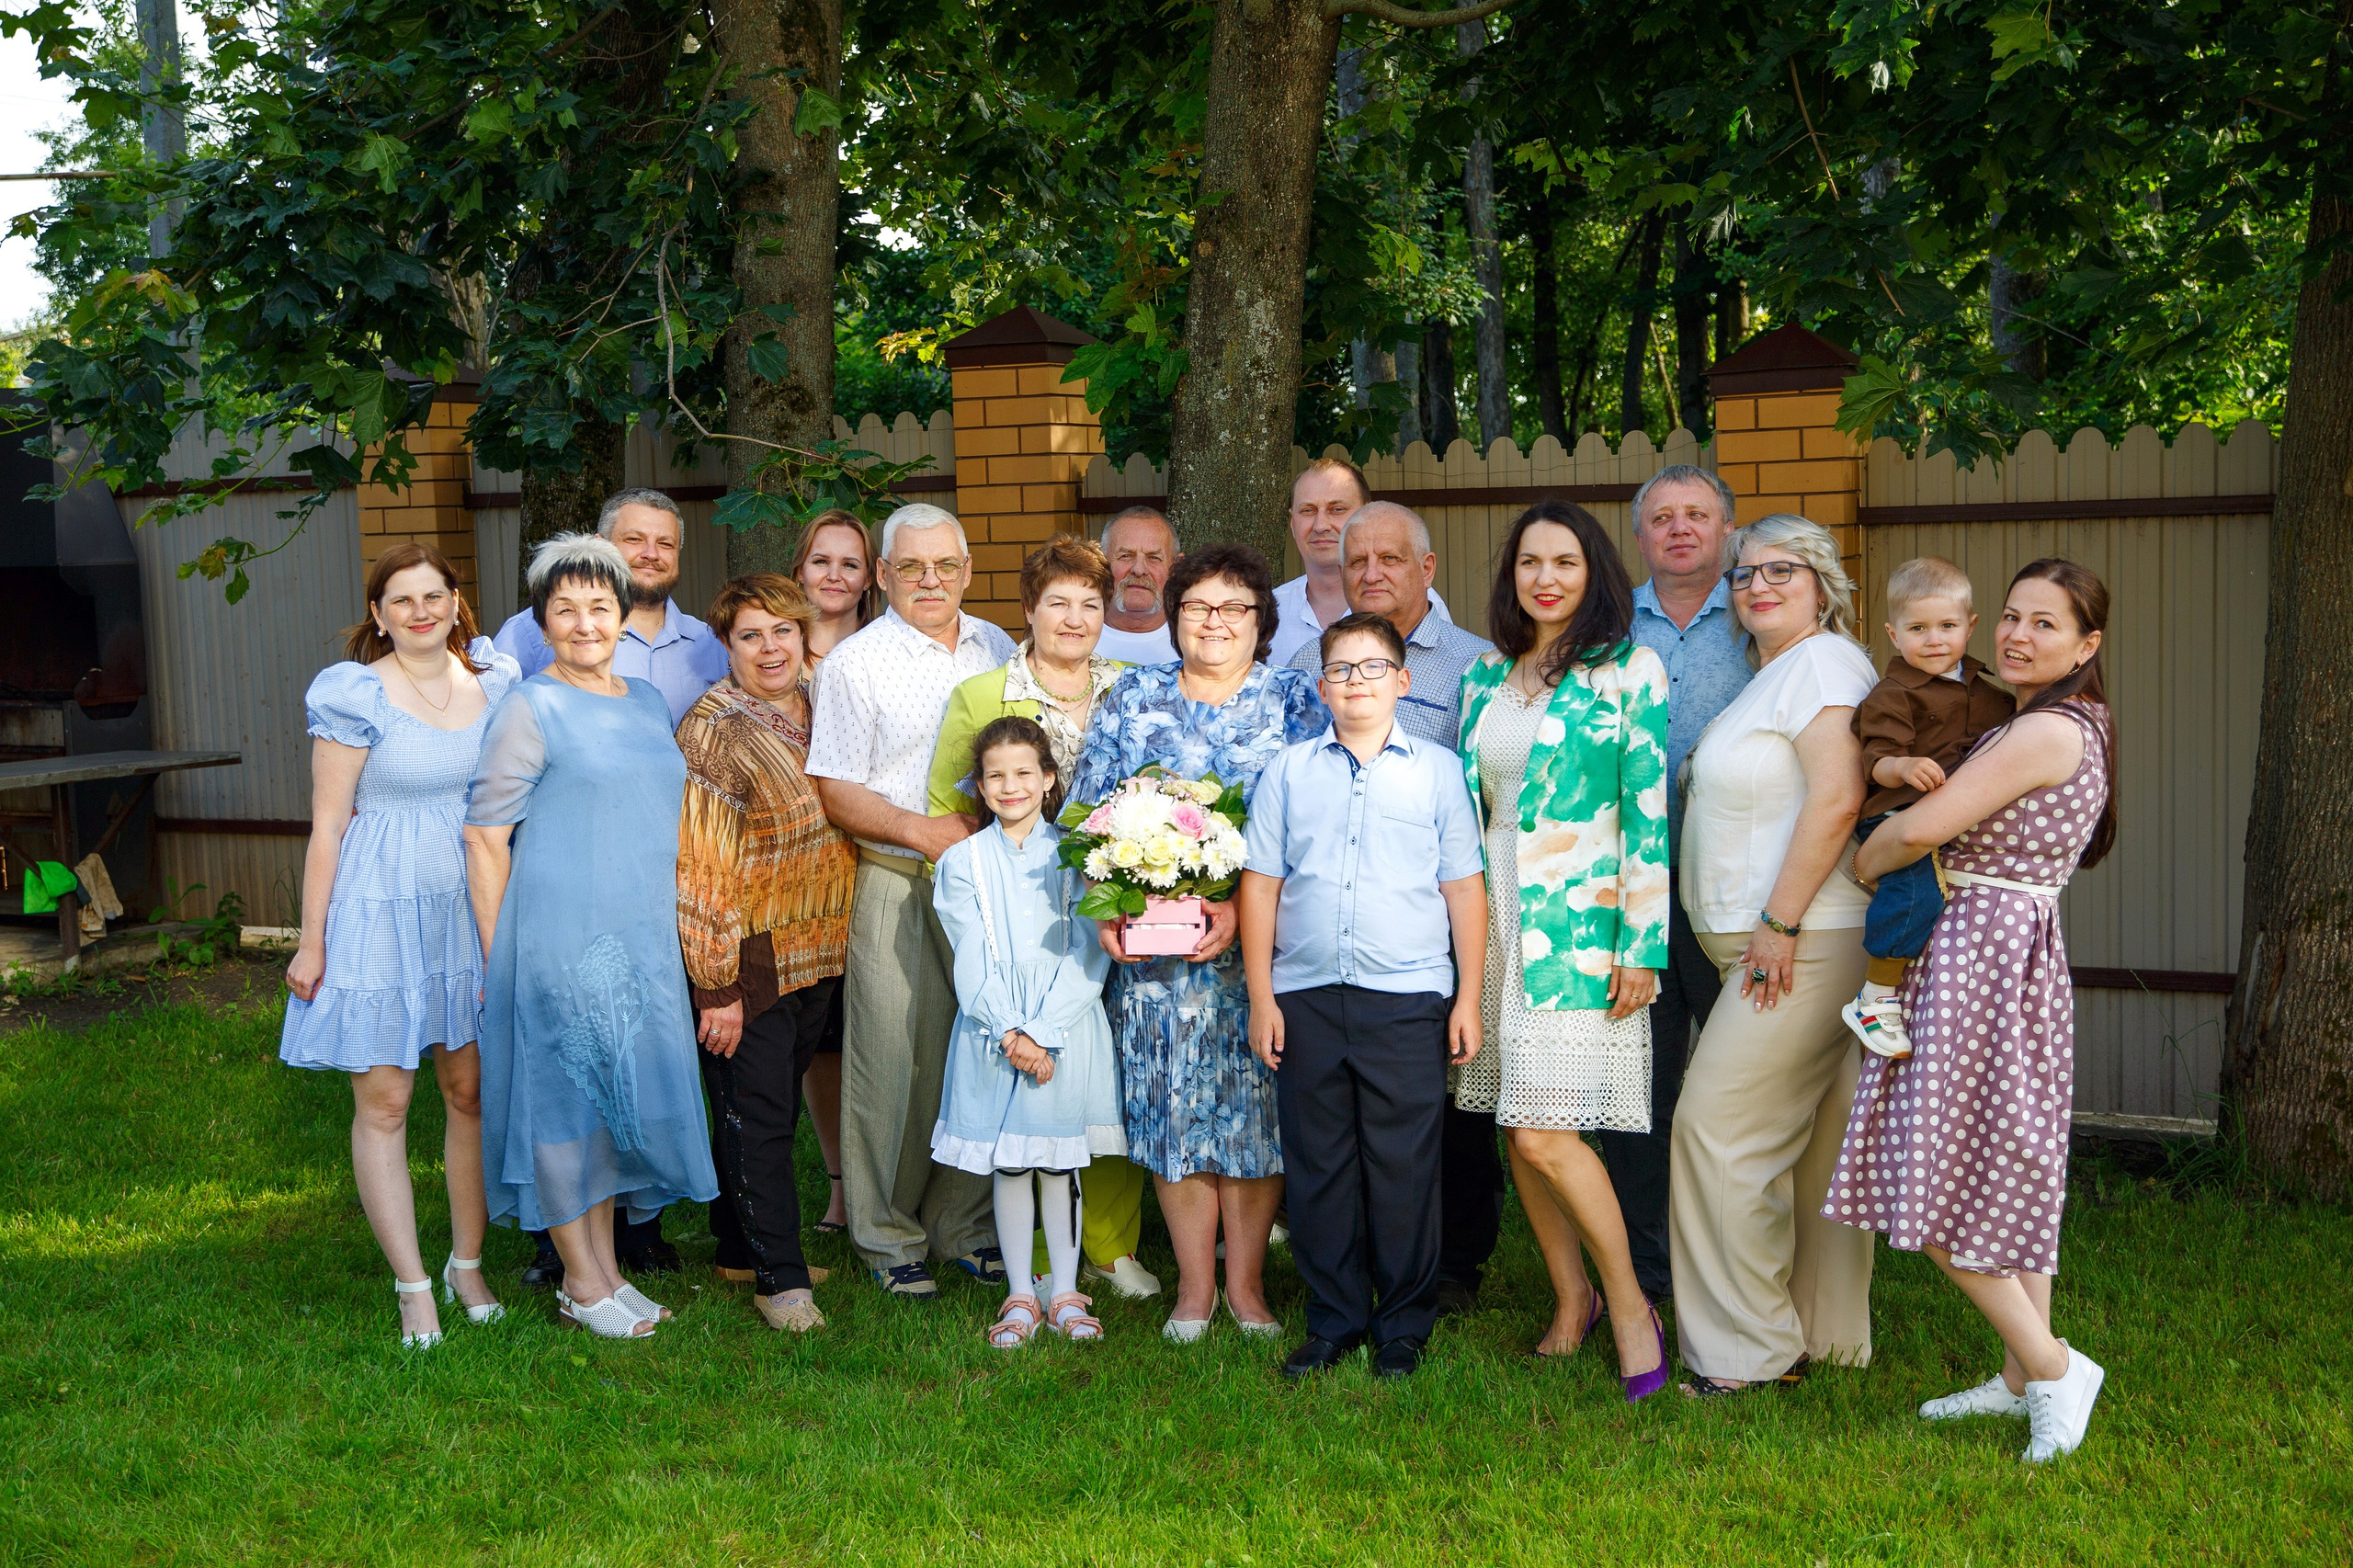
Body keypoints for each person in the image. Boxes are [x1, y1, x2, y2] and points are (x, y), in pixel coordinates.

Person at [1826, 559, 2117, 1463]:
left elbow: (1917, 828)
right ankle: (2021, 1376)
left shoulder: (2047, 730)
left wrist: (1865, 860)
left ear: (2086, 644)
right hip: (1990, 952)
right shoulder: (2028, 719)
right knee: (2000, 1166)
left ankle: (2054, 1363)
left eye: (2046, 624)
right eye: (2014, 617)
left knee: (1937, 1173)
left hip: (1981, 957)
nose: (2019, 636)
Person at [1071, 542, 1328, 1342]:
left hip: (1256, 954)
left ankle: (1247, 1288)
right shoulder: (1131, 696)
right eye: (1197, 607)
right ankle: (1193, 1289)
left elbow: (1316, 831)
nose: (1214, 622)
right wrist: (1104, 905)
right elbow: (1085, 814)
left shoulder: (1295, 702)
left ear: (1262, 622)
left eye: (1233, 608)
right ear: (1174, 617)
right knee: (1171, 1114)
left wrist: (1236, 911)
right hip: (1154, 964)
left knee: (1254, 1120)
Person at [464, 533, 719, 1339]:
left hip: (638, 933)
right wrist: (504, 956)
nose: (583, 624)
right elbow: (483, 838)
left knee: (613, 1103)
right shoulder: (530, 706)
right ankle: (578, 1278)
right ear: (542, 623)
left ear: (623, 614)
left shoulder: (644, 703)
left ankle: (606, 1271)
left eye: (598, 608)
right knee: (567, 1101)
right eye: (564, 611)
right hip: (556, 934)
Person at [1453, 503, 1673, 1401]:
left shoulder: (1630, 670)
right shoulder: (1480, 678)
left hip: (1582, 924)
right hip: (1497, 917)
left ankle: (1629, 1304)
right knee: (1518, 1125)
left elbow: (1648, 809)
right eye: (1530, 562)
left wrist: (1644, 941)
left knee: (1548, 1126)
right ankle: (1570, 1295)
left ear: (1595, 575)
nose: (1546, 577)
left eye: (1566, 562)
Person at [279, 543, 522, 1346]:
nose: (420, 611)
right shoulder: (355, 695)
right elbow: (327, 827)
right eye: (401, 600)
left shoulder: (495, 683)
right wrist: (311, 943)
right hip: (378, 907)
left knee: (471, 1093)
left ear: (458, 603)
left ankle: (468, 1264)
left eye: (434, 596)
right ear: (378, 616)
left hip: (471, 907)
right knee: (385, 1100)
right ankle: (412, 1285)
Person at [1242, 612, 1487, 1381]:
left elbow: (1463, 888)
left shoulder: (1438, 772)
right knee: (1320, 1164)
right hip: (1307, 992)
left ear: (1403, 681)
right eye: (1341, 669)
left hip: (1406, 994)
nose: (1356, 681)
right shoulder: (1289, 771)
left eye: (1372, 667)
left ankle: (1404, 1324)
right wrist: (1261, 996)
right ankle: (1334, 1318)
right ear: (1322, 686)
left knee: (1404, 1163)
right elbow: (1262, 884)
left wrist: (1467, 997)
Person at [1670, 513, 1876, 1396]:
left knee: (1714, 1130)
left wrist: (1780, 923)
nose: (1758, 586)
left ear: (1822, 582)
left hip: (1804, 941)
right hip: (1786, 943)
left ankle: (1745, 1358)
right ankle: (1828, 1337)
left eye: (1780, 571)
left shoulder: (1824, 663)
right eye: (1744, 575)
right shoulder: (1781, 672)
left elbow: (1837, 799)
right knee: (1813, 1143)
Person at [924, 536, 1160, 1301]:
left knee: (1109, 1080)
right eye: (1057, 601)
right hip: (1022, 922)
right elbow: (948, 815)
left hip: (1124, 919)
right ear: (1027, 611)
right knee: (1032, 1092)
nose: (1074, 617)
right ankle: (1027, 1262)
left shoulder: (1134, 689)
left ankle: (1111, 1247)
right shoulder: (984, 696)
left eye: (1091, 604)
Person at [1282, 499, 1495, 1312]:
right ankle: (1350, 1271)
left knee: (1445, 1119)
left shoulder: (1476, 666)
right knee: (1338, 1128)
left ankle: (1453, 1267)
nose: (1370, 574)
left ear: (1427, 568)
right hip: (1331, 937)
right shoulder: (1312, 660)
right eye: (1355, 560)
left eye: (1391, 560)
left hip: (1432, 924)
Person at [804, 503, 1017, 1299]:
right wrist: (918, 831)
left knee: (984, 1048)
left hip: (991, 885)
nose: (932, 582)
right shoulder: (857, 664)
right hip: (898, 877)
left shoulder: (997, 647)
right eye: (913, 569)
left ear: (967, 570)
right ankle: (888, 1235)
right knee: (894, 1061)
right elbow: (833, 785)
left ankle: (963, 1223)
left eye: (947, 567)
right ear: (884, 575)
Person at [675, 574, 858, 1333]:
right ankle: (781, 1280)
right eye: (750, 635)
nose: (770, 647)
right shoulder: (714, 729)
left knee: (772, 1099)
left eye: (782, 630)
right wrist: (716, 985)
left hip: (821, 941)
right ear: (727, 646)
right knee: (759, 1116)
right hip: (751, 948)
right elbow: (702, 861)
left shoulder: (824, 705)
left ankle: (739, 1247)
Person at [931, 717, 1126, 1347]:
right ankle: (1020, 1292)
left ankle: (1065, 1289)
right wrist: (1011, 1032)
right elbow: (969, 957)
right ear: (980, 787)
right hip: (995, 1034)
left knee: (1058, 1161)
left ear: (1047, 779)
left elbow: (1090, 952)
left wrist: (1043, 1032)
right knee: (1011, 1164)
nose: (1010, 786)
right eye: (995, 776)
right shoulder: (962, 862)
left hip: (1063, 1029)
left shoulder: (1079, 855)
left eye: (1024, 773)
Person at [1618, 462, 1750, 1307]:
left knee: (1741, 1085)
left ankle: (1739, 1260)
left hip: (1732, 890)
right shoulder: (1609, 622)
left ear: (1727, 530)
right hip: (1633, 891)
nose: (1679, 529)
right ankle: (1649, 1271)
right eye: (1661, 517)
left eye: (1696, 515)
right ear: (1641, 536)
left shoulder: (1756, 618)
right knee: (1641, 1085)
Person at [1840, 557, 2014, 1060]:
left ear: (1970, 627)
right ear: (1894, 635)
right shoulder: (1891, 695)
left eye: (1947, 627)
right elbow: (1874, 760)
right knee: (1915, 890)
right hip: (1897, 811)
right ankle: (1875, 998)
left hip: (1955, 817)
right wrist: (1903, 766)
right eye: (1918, 629)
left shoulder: (1991, 696)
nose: (1934, 639)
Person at [785, 510, 879, 1236]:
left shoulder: (884, 652)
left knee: (871, 1028)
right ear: (800, 571)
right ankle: (841, 1182)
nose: (836, 577)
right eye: (822, 561)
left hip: (871, 859)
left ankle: (891, 1175)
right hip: (799, 873)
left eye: (850, 563)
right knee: (822, 1039)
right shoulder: (777, 655)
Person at [493, 488, 728, 727]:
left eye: (665, 544)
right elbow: (494, 729)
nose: (651, 554)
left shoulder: (711, 643)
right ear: (600, 545)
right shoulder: (532, 630)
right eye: (634, 539)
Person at [1267, 458, 1448, 669]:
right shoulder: (1268, 612)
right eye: (1308, 510)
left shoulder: (1419, 603)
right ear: (1292, 522)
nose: (1321, 525)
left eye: (1337, 509)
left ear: (1367, 513)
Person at [1092, 506, 1180, 665]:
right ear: (1101, 563)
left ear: (1175, 568)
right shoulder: (1074, 636)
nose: (1139, 570)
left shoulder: (1196, 641)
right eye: (1126, 556)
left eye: (1154, 558)